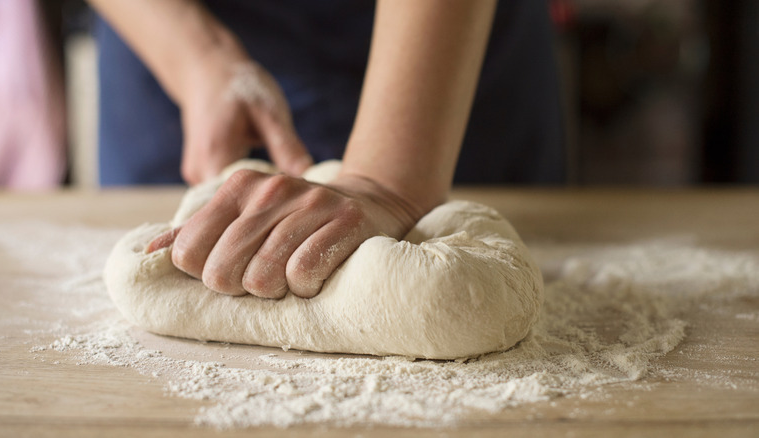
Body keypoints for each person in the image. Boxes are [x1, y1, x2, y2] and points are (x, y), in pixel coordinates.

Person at [89, 0, 563, 299]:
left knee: (476, 288)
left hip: (441, 37)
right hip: (168, 27)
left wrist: (389, 184)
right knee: (183, 261)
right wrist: (199, 58)